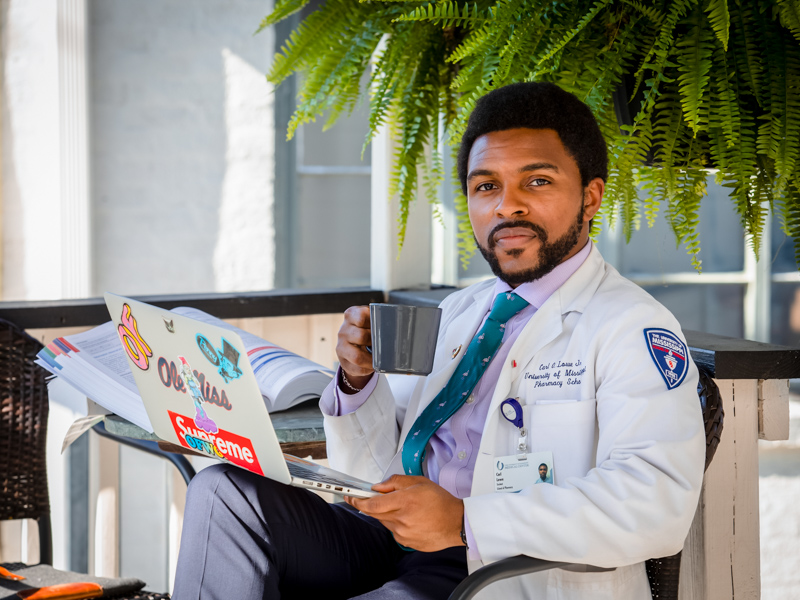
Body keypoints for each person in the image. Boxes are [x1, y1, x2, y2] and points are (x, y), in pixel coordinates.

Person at [172, 82, 705, 600]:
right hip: (398, 540)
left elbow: (655, 505)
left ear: (590, 197)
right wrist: (358, 384)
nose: (507, 206)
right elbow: (376, 473)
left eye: (537, 182)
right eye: (486, 186)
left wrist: (466, 520)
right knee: (223, 491)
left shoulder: (631, 327)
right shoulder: (460, 312)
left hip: (498, 568)